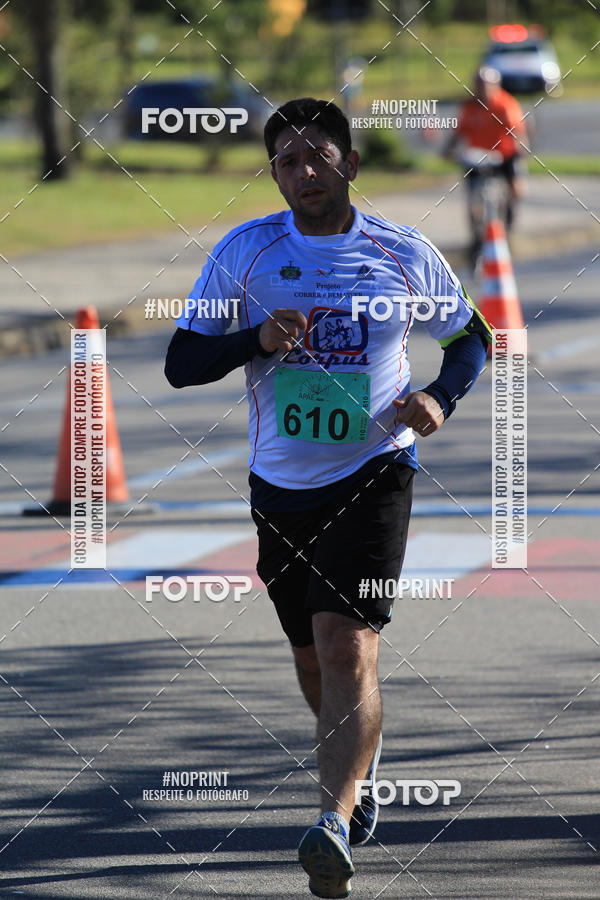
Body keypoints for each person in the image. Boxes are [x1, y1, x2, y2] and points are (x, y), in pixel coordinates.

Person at [165, 97, 491, 899]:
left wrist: (441, 398)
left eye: (319, 156)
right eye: (287, 161)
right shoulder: (246, 252)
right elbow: (180, 361)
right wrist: (256, 339)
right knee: (311, 654)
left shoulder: (402, 251)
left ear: (351, 163)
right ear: (274, 175)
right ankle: (359, 768)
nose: (305, 172)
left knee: (347, 645)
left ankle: (332, 822)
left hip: (376, 473)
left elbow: (470, 336)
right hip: (281, 488)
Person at [445, 66, 527, 234]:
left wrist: (520, 147)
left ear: (496, 85)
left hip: (503, 154)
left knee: (515, 187)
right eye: (479, 85)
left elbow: (517, 131)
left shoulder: (506, 104)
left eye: (487, 85)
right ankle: (476, 229)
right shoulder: (469, 106)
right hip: (477, 156)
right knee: (472, 194)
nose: (483, 89)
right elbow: (459, 132)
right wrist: (448, 150)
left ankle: (510, 213)